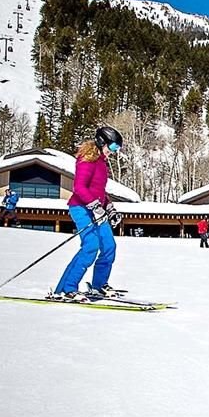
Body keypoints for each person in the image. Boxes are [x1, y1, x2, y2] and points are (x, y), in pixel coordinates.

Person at [51, 126, 124, 302]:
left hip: (96, 209)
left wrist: (109, 208)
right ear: (102, 142)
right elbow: (80, 188)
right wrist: (94, 207)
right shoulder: (87, 160)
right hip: (81, 208)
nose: (113, 152)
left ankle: (99, 285)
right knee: (91, 246)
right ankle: (67, 288)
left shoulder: (101, 163)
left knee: (109, 246)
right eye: (112, 147)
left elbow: (98, 190)